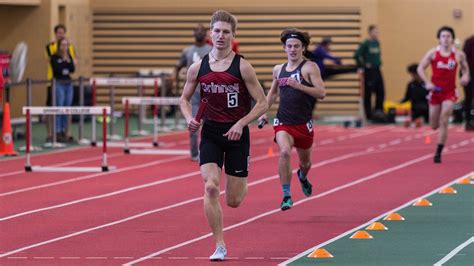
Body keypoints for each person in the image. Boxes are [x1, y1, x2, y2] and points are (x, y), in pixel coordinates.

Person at [179, 10, 268, 261]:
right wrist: (190, 119)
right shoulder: (198, 67)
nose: (220, 35)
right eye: (216, 31)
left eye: (226, 32)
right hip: (211, 133)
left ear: (233, 36)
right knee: (210, 187)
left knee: (234, 200)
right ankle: (220, 245)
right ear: (210, 33)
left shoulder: (243, 67)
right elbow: (184, 99)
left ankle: (241, 181)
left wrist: (241, 123)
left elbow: (262, 103)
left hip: (237, 134)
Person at [258, 28, 325, 211]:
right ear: (284, 48)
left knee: (306, 163)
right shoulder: (278, 69)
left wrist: (299, 86)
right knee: (285, 152)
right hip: (283, 122)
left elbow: (321, 93)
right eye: (289, 46)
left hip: (303, 124)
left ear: (303, 48)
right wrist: (264, 112)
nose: (293, 49)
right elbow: (272, 93)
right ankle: (286, 195)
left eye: (296, 46)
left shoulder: (310, 67)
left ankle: (302, 177)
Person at [417, 26, 470, 163]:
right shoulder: (433, 53)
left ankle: (438, 152)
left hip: (450, 92)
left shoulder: (458, 54)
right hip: (435, 92)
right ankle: (437, 130)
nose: (446, 39)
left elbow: (465, 69)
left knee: (444, 119)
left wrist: (465, 76)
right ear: (439, 39)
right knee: (434, 124)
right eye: (443, 36)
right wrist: (427, 83)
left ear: (452, 39)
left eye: (448, 36)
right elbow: (420, 68)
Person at [175, 24, 212, 161]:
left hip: (209, 94)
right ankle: (194, 153)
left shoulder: (212, 50)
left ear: (207, 33)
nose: (199, 32)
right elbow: (178, 66)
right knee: (193, 124)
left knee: (210, 126)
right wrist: (176, 83)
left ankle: (209, 151)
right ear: (193, 33)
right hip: (194, 95)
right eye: (197, 30)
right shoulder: (187, 51)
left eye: (202, 30)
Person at [45, 24, 76, 142]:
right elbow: (56, 66)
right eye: (59, 33)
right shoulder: (50, 47)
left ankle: (65, 132)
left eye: (63, 33)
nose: (61, 35)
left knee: (67, 108)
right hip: (53, 81)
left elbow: (72, 67)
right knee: (54, 107)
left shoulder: (70, 48)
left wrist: (66, 63)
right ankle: (53, 133)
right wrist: (64, 64)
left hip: (67, 82)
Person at [354, 25, 385, 121]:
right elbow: (356, 55)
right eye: (375, 32)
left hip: (377, 70)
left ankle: (378, 111)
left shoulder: (377, 43)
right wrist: (363, 65)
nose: (377, 33)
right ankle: (368, 114)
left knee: (381, 91)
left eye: (377, 32)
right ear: (370, 32)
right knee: (368, 93)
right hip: (369, 71)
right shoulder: (365, 44)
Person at [463, 35, 474, 131]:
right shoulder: (470, 41)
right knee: (469, 97)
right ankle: (468, 121)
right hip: (469, 72)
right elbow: (463, 60)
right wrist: (465, 74)